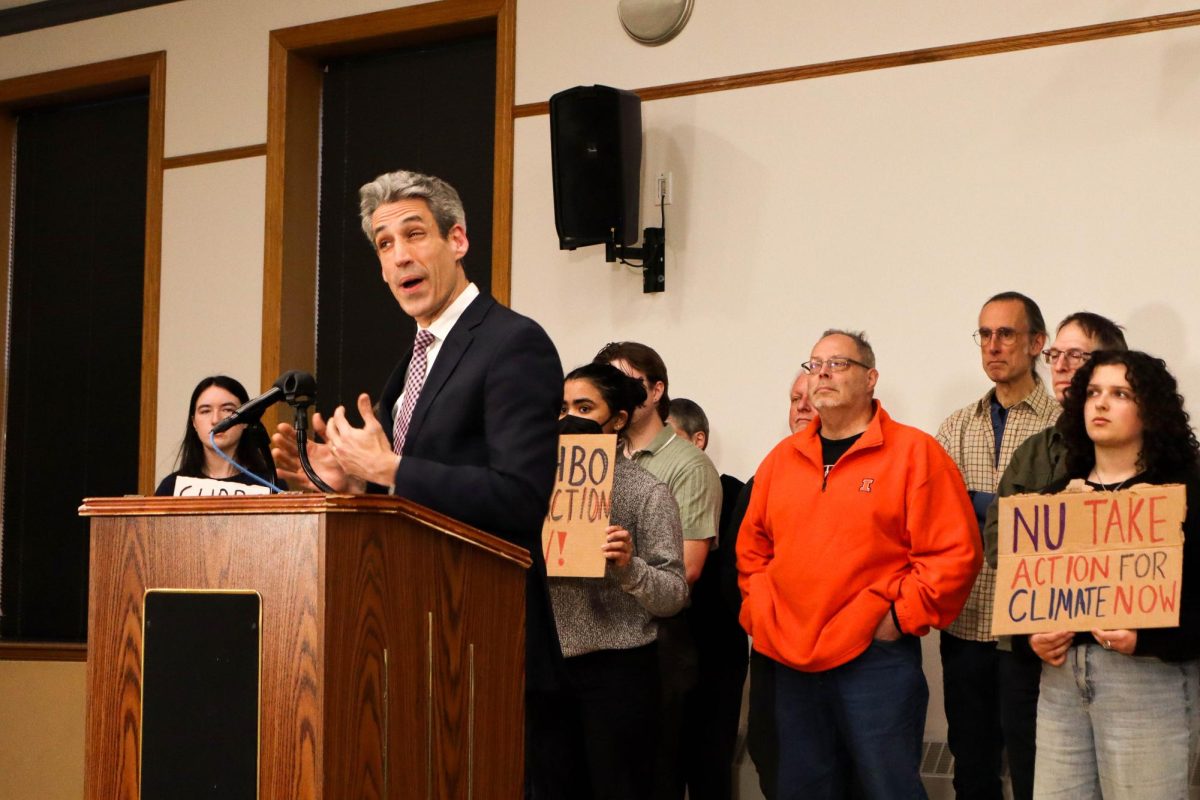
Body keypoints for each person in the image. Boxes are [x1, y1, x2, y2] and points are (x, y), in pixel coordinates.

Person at [269, 169, 566, 796]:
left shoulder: (514, 343)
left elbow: (520, 497)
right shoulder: (415, 356)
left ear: (457, 240)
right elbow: (409, 499)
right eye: (384, 244)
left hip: (487, 647)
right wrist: (344, 489)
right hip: (416, 640)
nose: (399, 254)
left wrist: (390, 469)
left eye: (414, 234)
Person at [738, 329, 981, 799]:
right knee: (802, 789)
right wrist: (762, 614)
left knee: (887, 789)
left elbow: (954, 553)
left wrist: (899, 617)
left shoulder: (915, 453)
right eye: (813, 365)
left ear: (871, 378)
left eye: (838, 363)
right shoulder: (781, 461)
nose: (822, 373)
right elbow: (752, 551)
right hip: (790, 660)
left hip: (875, 660)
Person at [1027, 350, 1200, 798]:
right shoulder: (1054, 500)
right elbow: (1034, 595)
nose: (1100, 404)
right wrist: (1037, 637)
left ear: (1150, 410)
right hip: (1061, 684)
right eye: (1093, 393)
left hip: (1149, 682)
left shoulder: (1185, 496)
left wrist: (1148, 638)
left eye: (1120, 393)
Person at [981, 311, 1127, 800]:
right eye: (1055, 355)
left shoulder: (1154, 452)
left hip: (1125, 653)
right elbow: (1003, 541)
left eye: (1077, 356)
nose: (1061, 366)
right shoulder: (1034, 451)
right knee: (1037, 783)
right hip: (1033, 645)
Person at [935, 291, 1055, 800]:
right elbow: (937, 513)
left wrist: (976, 500)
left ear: (1037, 343)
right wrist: (1007, 505)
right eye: (984, 334)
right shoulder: (955, 425)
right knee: (972, 763)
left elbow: (1056, 519)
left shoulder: (1061, 426)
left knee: (1035, 765)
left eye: (1005, 333)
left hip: (1033, 626)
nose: (993, 346)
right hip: (966, 619)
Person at [594, 341, 722, 800]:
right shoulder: (595, 459)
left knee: (654, 777)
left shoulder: (688, 463)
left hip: (657, 644)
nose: (616, 394)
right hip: (596, 639)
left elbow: (686, 570)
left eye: (626, 383)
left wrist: (624, 563)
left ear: (656, 390)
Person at [554, 362, 688, 800]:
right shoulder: (537, 482)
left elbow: (674, 594)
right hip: (546, 666)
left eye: (584, 406)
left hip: (617, 671)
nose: (569, 417)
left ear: (618, 419)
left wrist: (629, 567)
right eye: (563, 407)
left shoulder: (648, 491)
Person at [667, 396, 748, 800]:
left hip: (717, 652)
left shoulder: (733, 493)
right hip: (665, 649)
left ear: (698, 440)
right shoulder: (649, 494)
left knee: (709, 767)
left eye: (672, 438)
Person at [155, 375, 279, 496]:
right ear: (194, 423)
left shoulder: (270, 486)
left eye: (227, 410)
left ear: (246, 420)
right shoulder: (171, 488)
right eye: (205, 411)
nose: (215, 420)